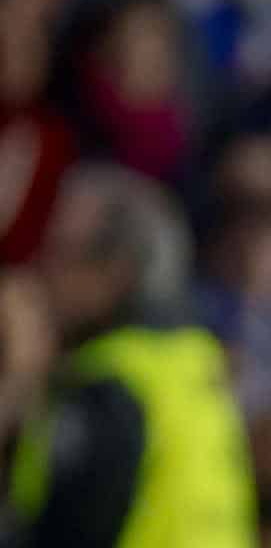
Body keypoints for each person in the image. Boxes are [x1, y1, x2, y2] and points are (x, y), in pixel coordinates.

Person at [0, 163, 255, 547]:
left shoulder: (109, 383)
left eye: (61, 251)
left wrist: (15, 381)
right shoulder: (191, 361)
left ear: (116, 271)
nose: (42, 267)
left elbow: (56, 534)